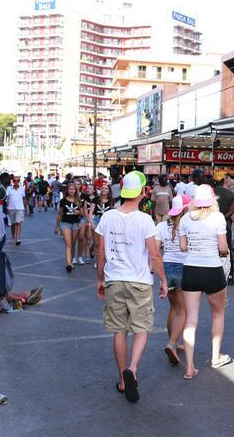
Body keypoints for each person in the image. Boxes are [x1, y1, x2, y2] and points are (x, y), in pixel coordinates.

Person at [94, 170, 167, 403]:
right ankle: (133, 369)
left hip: (114, 279)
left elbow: (100, 252)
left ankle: (123, 380)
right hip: (140, 281)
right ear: (142, 193)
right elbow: (154, 256)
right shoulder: (146, 220)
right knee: (141, 328)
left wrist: (99, 279)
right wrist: (163, 280)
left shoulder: (107, 217)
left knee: (119, 330)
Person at [179, 184, 232, 380]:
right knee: (218, 315)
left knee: (190, 320)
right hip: (212, 270)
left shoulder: (185, 218)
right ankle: (216, 357)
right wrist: (223, 252)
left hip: (190, 270)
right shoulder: (217, 218)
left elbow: (183, 247)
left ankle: (189, 367)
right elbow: (223, 247)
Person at [157, 195, 190, 366]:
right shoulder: (188, 225)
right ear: (184, 209)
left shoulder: (161, 225)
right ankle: (171, 343)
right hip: (184, 266)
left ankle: (175, 341)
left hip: (167, 266)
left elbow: (155, 250)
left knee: (174, 308)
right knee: (184, 311)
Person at [55, 182, 84, 272]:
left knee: (73, 244)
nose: (72, 191)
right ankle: (68, 263)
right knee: (68, 244)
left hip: (75, 224)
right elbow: (59, 214)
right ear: (67, 190)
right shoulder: (63, 201)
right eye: (70, 189)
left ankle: (71, 261)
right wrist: (56, 226)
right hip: (65, 223)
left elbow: (83, 214)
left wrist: (79, 212)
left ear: (75, 191)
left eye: (73, 189)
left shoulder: (78, 201)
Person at [6, 176, 27, 246]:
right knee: (13, 224)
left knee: (19, 223)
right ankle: (13, 237)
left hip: (20, 208)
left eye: (17, 180)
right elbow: (6, 198)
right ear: (13, 181)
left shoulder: (22, 189)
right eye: (14, 180)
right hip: (11, 208)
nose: (16, 182)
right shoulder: (9, 189)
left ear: (19, 181)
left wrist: (25, 209)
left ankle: (18, 239)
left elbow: (24, 199)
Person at [80, 184, 98, 264]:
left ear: (94, 190)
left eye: (91, 188)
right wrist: (88, 220)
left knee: (96, 239)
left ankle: (92, 249)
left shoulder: (97, 198)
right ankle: (87, 256)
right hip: (87, 218)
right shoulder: (85, 199)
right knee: (88, 238)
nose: (88, 190)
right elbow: (85, 210)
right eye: (87, 188)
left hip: (96, 218)